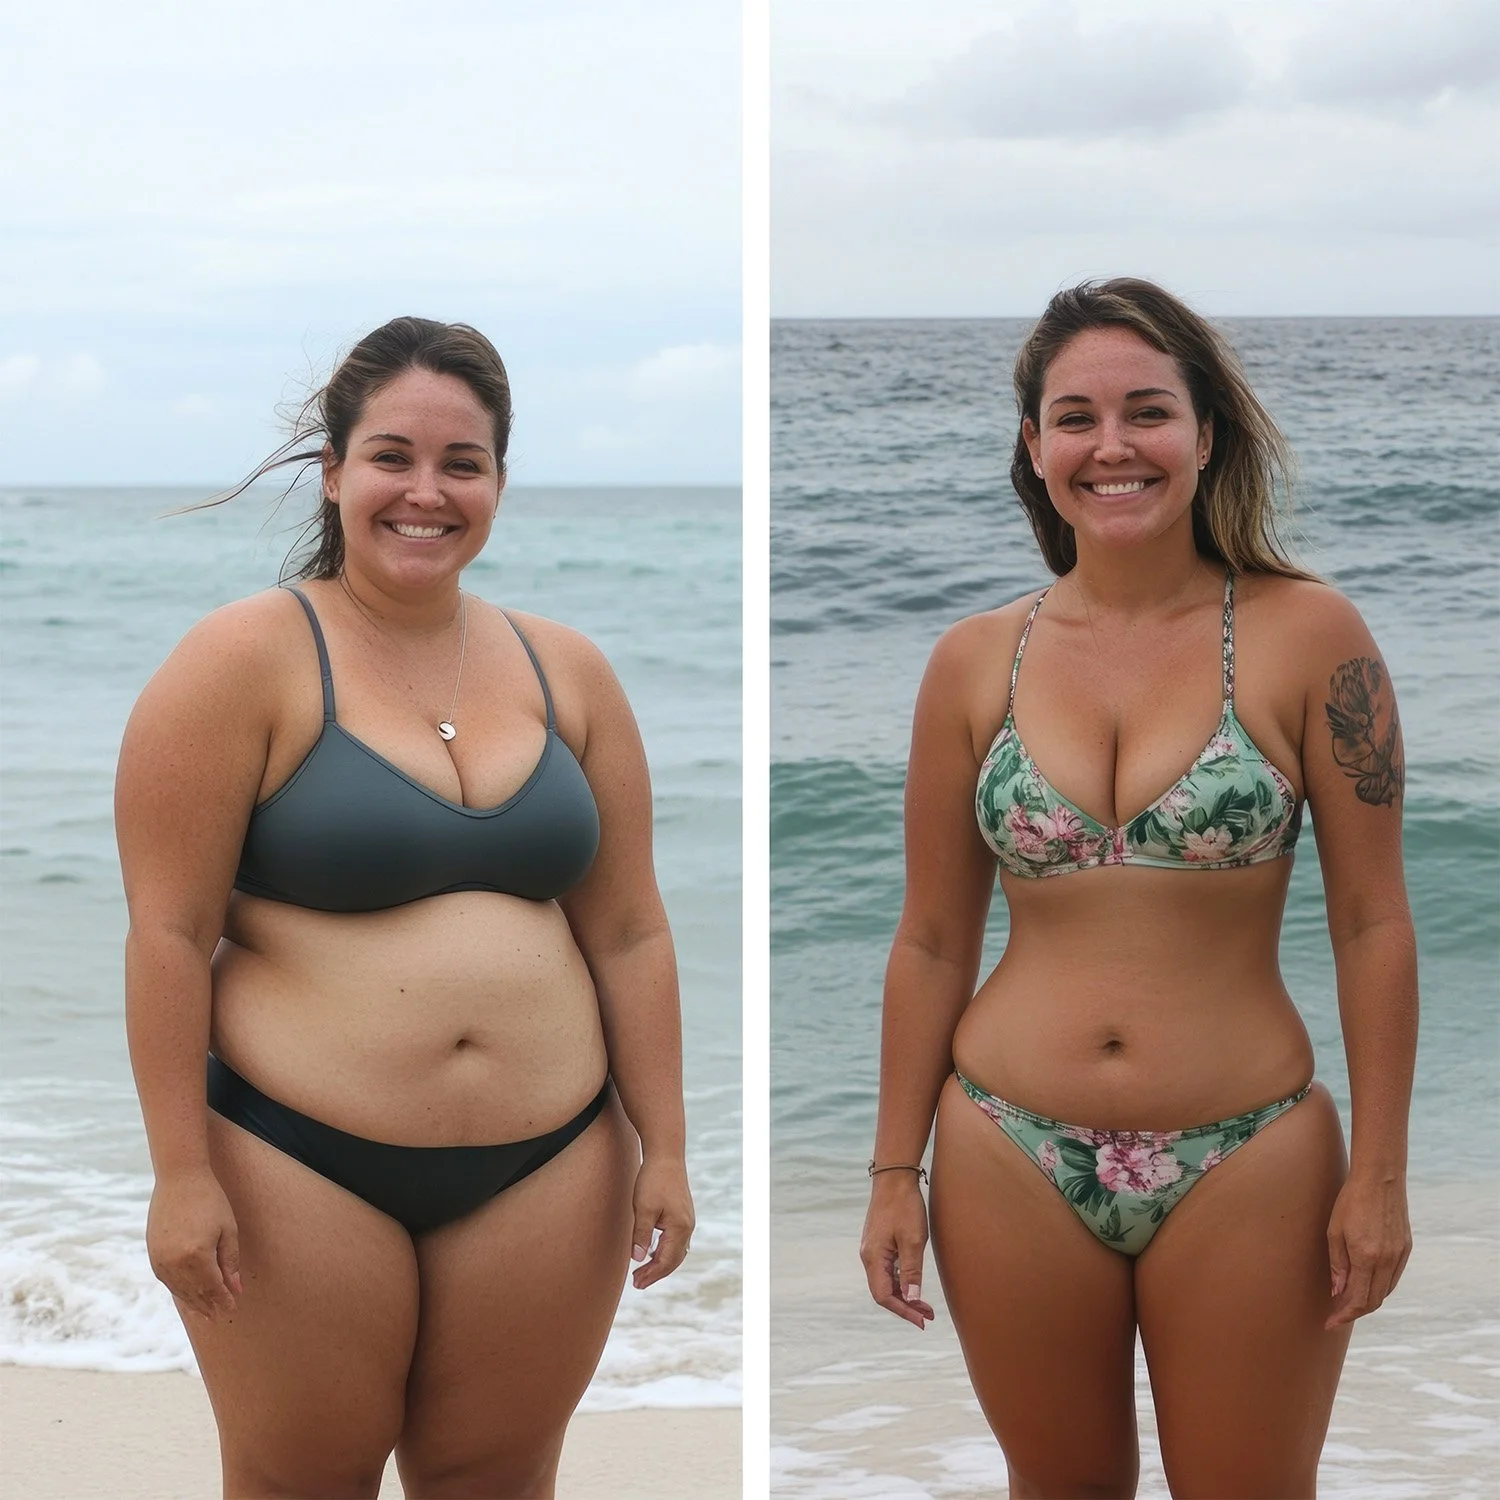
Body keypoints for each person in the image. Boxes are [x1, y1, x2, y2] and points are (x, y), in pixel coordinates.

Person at [115, 316, 694, 1499]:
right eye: (391, 456)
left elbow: (630, 928)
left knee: (500, 1481)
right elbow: (168, 934)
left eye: (461, 464)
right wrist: (182, 1174)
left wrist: (670, 1147)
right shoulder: (241, 661)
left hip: (554, 1162)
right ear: (334, 474)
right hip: (296, 1162)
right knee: (299, 1482)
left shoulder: (567, 670)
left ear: (497, 483)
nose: (424, 492)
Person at [859, 278, 1416, 1498]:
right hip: (1008, 1142)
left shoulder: (1308, 635)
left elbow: (1374, 921)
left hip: (1251, 1151)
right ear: (1035, 447)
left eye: (1148, 412)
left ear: (1205, 434)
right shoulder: (972, 660)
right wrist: (894, 1172)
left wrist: (1379, 1173)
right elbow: (933, 940)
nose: (1112, 447)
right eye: (1075, 418)